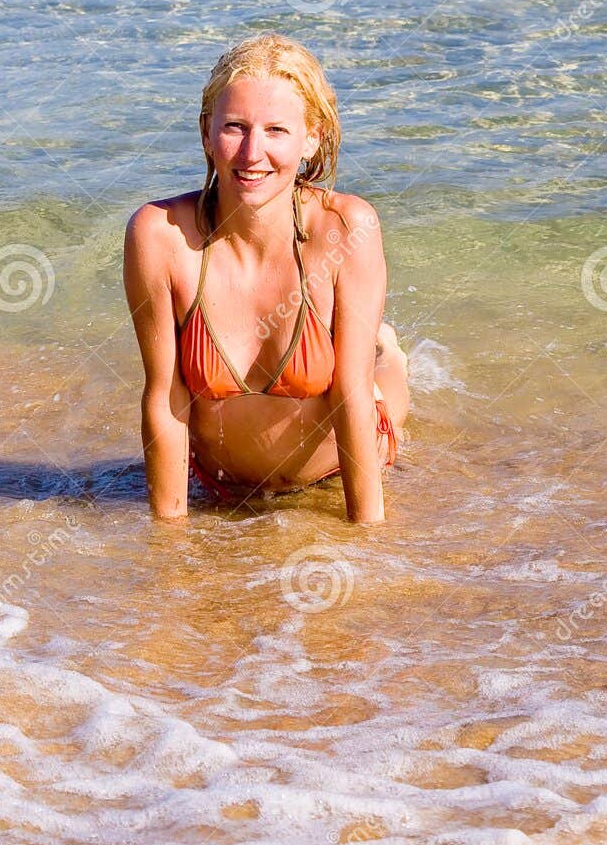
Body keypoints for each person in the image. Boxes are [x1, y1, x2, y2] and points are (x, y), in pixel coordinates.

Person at [123, 33, 409, 523]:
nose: (253, 153)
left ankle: (390, 353)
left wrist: (368, 536)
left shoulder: (345, 228)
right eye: (235, 126)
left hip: (328, 470)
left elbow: (351, 394)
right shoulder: (160, 236)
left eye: (277, 130)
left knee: (371, 376)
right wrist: (167, 543)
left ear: (312, 137)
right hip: (220, 484)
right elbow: (165, 398)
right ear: (207, 132)